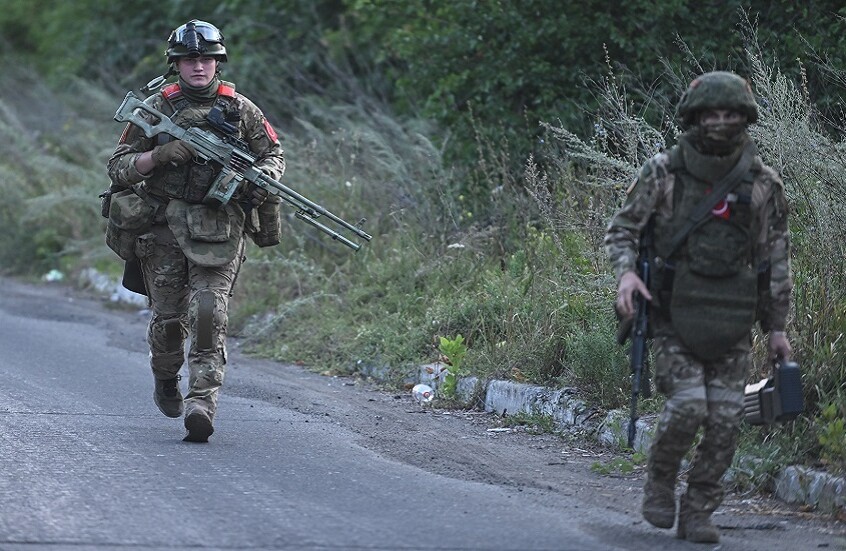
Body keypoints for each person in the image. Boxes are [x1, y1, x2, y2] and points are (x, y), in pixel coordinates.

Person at [605, 71, 793, 543]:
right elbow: (623, 229)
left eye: (730, 114)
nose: (721, 122)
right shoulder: (664, 172)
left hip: (732, 319)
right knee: (688, 407)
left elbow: (775, 259)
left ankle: (699, 509)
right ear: (694, 117)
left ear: (745, 117)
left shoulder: (763, 184)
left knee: (727, 420)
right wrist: (627, 273)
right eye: (711, 114)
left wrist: (776, 328)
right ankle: (660, 481)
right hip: (672, 315)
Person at [106, 19, 285, 443]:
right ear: (177, 65)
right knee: (169, 321)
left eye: (206, 58)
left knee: (208, 314)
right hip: (162, 226)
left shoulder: (242, 110)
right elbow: (118, 166)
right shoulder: (155, 108)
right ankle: (165, 377)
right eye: (189, 60)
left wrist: (255, 177)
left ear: (217, 62)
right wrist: (162, 155)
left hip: (217, 228)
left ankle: (201, 402)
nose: (198, 66)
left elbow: (274, 157)